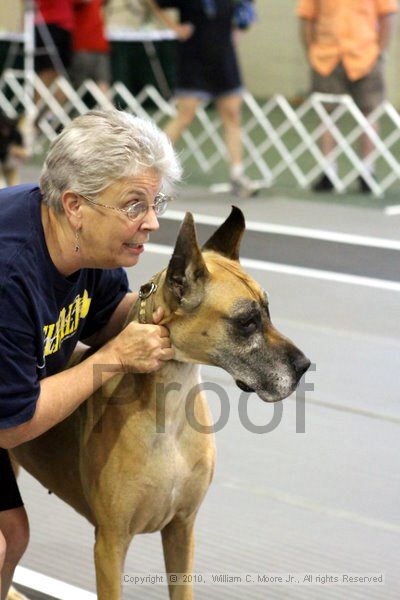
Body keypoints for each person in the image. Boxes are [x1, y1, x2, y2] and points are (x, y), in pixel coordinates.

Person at [0, 109, 181, 599]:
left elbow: (103, 320)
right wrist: (114, 359)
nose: (153, 222)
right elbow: (11, 426)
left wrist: (171, 313)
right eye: (134, 205)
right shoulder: (11, 273)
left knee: (12, 535)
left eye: (156, 201)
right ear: (76, 205)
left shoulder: (90, 250)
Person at [145, 0, 256, 198]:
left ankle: (237, 175)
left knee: (233, 115)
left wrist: (237, 32)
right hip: (193, 59)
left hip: (224, 58)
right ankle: (150, 171)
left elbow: (245, 13)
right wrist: (174, 27)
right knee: (184, 116)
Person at [297, 0, 398, 193]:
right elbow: (306, 16)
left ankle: (367, 172)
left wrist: (379, 52)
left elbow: (387, 16)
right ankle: (328, 172)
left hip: (366, 55)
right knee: (327, 115)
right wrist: (312, 52)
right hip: (326, 57)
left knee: (369, 113)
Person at [70, 0, 112, 94]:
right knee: (79, 84)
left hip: (100, 46)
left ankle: (108, 107)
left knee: (103, 81)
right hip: (82, 47)